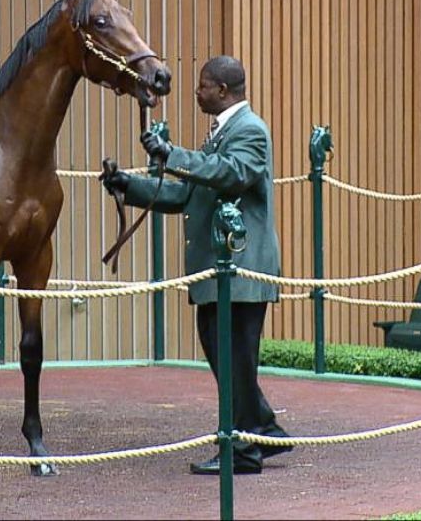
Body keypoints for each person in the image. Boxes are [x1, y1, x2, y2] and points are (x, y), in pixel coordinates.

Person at [102, 55, 292, 475]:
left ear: (222, 91)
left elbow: (231, 174)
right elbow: (190, 196)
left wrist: (173, 154)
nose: (196, 91)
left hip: (240, 270)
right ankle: (264, 430)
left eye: (203, 85)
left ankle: (243, 450)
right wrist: (128, 185)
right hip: (221, 272)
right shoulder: (223, 133)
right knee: (227, 356)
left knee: (233, 358)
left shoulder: (250, 132)